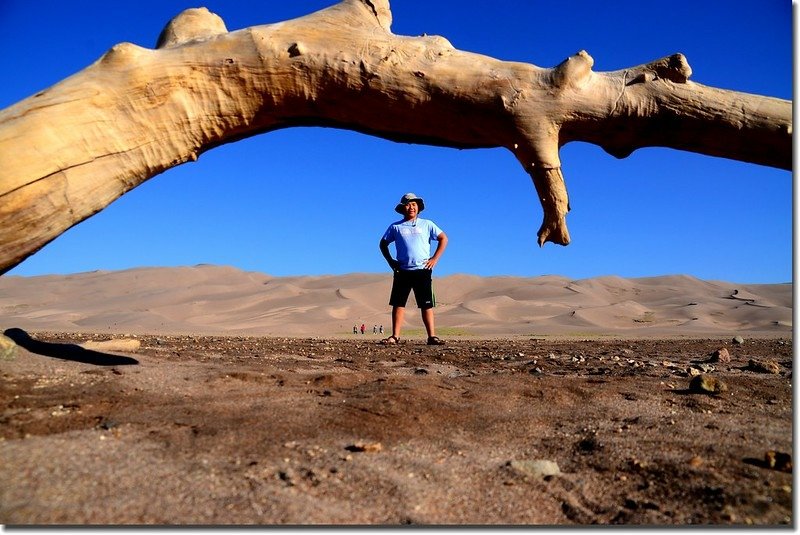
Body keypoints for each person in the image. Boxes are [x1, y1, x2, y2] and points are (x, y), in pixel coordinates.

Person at [379, 192, 448, 345]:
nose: (411, 207)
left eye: (414, 204)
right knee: (398, 303)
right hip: (402, 270)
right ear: (403, 208)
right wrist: (391, 261)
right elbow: (383, 243)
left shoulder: (427, 224)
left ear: (418, 207)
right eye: (408, 204)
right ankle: (395, 336)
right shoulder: (395, 227)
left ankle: (432, 336)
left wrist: (435, 259)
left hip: (422, 270)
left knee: (426, 304)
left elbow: (444, 238)